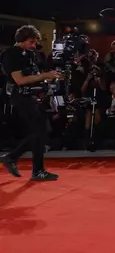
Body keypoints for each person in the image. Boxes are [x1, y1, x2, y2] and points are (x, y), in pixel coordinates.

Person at [0, 25, 61, 181]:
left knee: (41, 130)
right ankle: (30, 167)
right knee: (39, 131)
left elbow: (33, 76)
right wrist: (44, 76)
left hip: (30, 97)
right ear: (21, 40)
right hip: (19, 97)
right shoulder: (10, 54)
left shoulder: (27, 54)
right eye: (31, 42)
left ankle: (17, 160)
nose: (34, 46)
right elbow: (20, 80)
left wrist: (48, 78)